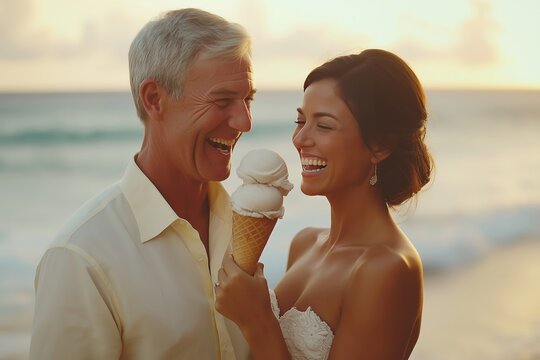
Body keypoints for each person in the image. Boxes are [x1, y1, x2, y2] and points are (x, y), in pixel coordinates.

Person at [30, 8, 255, 359]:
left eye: (248, 99)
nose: (245, 121)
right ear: (154, 98)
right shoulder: (81, 258)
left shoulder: (241, 224)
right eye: (223, 100)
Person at [214, 49, 434, 359]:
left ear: (380, 145)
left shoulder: (388, 269)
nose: (300, 139)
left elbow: (264, 335)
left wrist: (258, 322)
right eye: (300, 120)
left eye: (324, 126)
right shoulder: (304, 243)